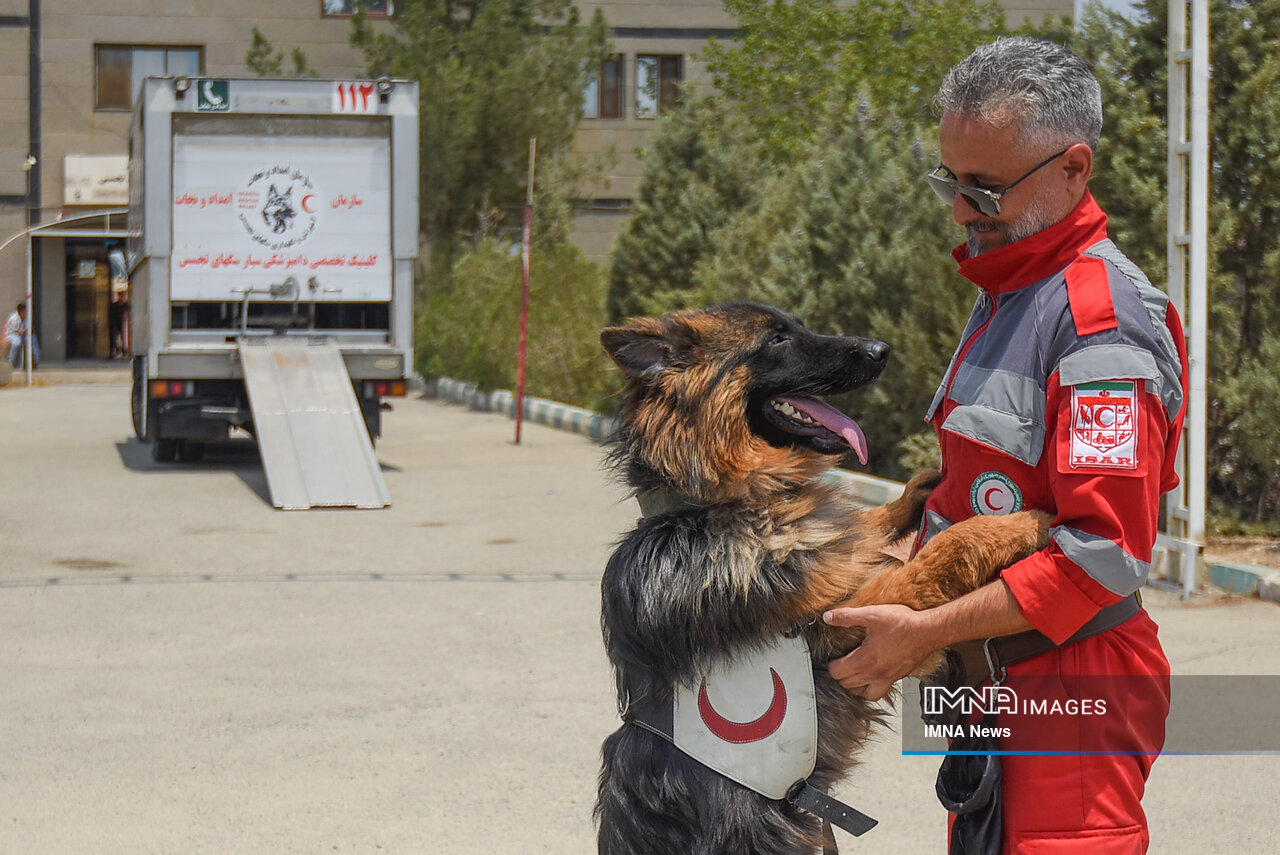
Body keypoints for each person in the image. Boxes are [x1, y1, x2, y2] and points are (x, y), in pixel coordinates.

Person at [824, 38, 1188, 854]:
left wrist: (923, 632)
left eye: (983, 188)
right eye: (949, 181)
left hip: (1072, 689)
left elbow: (1102, 556)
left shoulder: (1099, 324)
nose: (960, 209)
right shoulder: (1013, 288)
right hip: (994, 679)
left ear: (1073, 168)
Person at [5, 302, 39, 368]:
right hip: (12, 335)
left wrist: (24, 333)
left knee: (33, 339)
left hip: (23, 334)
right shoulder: (14, 319)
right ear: (21, 312)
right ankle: (11, 363)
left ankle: (35, 361)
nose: (27, 312)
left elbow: (29, 329)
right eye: (26, 311)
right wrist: (21, 333)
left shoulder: (27, 318)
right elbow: (13, 331)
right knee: (17, 342)